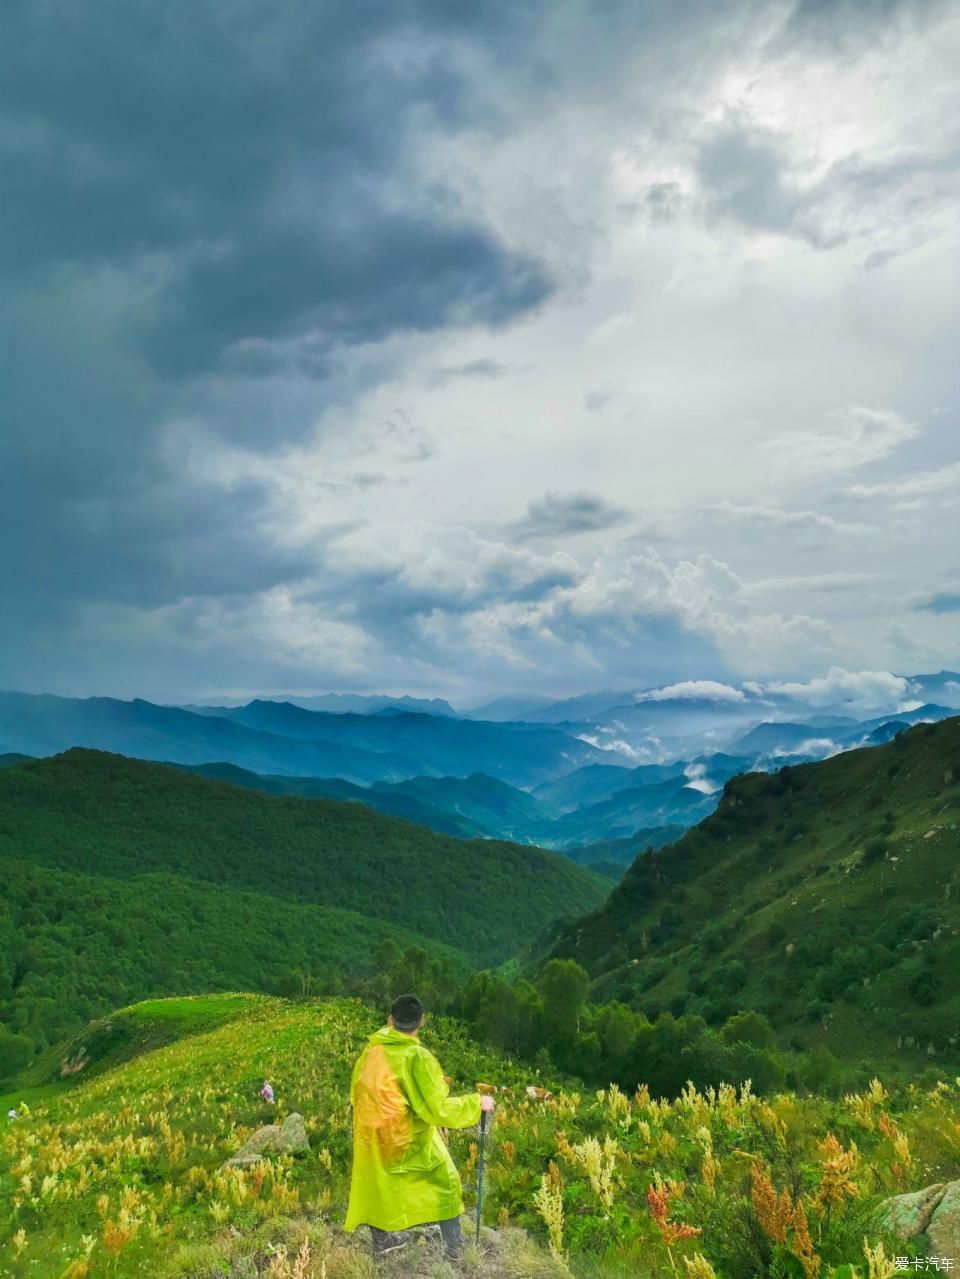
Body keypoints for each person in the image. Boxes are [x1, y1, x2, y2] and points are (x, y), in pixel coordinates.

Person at [345, 993, 495, 1261]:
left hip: (371, 1136)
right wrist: (476, 1103)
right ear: (422, 1022)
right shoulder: (416, 1057)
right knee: (446, 1182)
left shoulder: (372, 1048)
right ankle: (455, 1250)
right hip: (404, 1138)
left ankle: (383, 1238)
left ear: (390, 1019)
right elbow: (438, 1109)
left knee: (379, 1183)